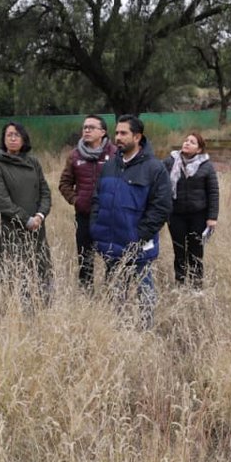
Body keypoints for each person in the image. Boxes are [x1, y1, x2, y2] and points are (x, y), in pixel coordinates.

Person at [90, 115, 172, 327]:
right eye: (116, 133)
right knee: (115, 292)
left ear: (137, 136)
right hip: (111, 243)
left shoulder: (155, 168)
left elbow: (161, 208)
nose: (118, 137)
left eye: (123, 133)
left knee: (144, 291)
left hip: (139, 247)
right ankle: (118, 330)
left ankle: (145, 330)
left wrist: (138, 236)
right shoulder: (110, 165)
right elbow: (98, 198)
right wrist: (96, 228)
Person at [0, 122, 53, 300]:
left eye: (17, 135)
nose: (13, 138)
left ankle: (42, 311)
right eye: (9, 135)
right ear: (4, 139)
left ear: (24, 139)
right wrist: (27, 220)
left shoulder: (33, 162)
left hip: (36, 229)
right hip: (9, 229)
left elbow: (45, 192)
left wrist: (40, 215)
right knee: (13, 276)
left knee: (40, 272)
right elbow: (1, 201)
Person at [58, 114, 118, 291]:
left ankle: (112, 292)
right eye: (85, 127)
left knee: (111, 257)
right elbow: (64, 183)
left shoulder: (115, 154)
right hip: (84, 215)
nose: (87, 130)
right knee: (85, 257)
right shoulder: (75, 155)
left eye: (92, 127)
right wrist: (77, 201)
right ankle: (86, 293)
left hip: (109, 215)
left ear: (103, 132)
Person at [163, 131, 220, 288]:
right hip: (176, 214)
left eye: (192, 142)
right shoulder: (170, 162)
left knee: (196, 250)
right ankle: (180, 282)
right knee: (179, 249)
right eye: (186, 140)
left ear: (199, 149)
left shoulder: (206, 166)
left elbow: (213, 193)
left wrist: (212, 217)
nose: (187, 143)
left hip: (198, 216)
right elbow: (159, 182)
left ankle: (196, 285)